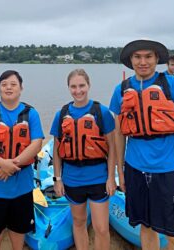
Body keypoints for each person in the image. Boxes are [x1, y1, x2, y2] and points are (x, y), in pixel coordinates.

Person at [110, 40, 174, 250]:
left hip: (167, 168)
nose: (143, 62)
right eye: (137, 57)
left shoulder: (172, 84)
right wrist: (120, 169)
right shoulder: (121, 90)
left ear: (157, 59)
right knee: (145, 226)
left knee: (173, 232)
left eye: (148, 56)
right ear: (131, 61)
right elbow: (119, 135)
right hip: (135, 168)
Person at [0, 70, 44, 250]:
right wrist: (2, 163)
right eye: (4, 84)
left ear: (21, 88)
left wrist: (12, 165)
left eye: (13, 84)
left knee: (19, 228)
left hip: (22, 185)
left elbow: (37, 143)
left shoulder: (31, 114)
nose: (8, 87)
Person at [50, 69, 118, 250]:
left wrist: (112, 177)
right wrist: (57, 179)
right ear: (68, 88)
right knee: (79, 222)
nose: (78, 90)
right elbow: (57, 151)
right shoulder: (61, 114)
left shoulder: (101, 112)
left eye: (81, 86)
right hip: (72, 179)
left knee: (101, 228)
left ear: (88, 85)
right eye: (73, 86)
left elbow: (112, 148)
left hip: (98, 178)